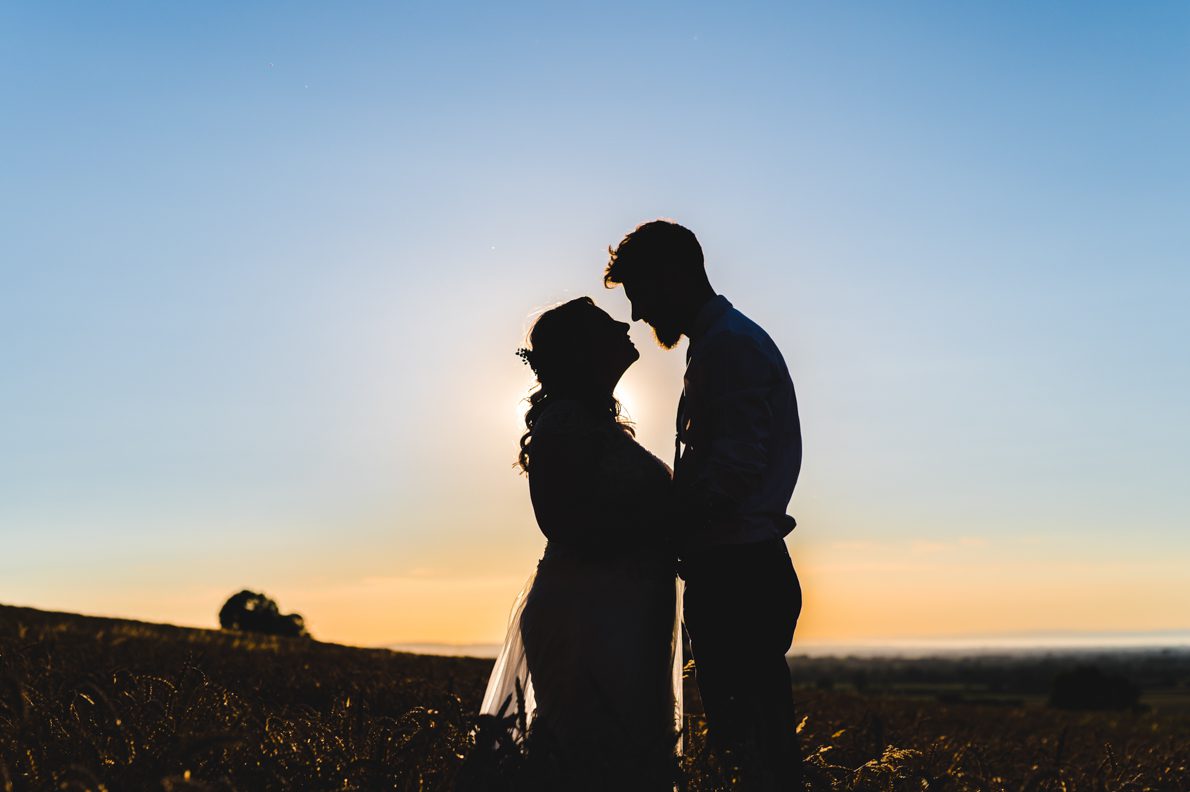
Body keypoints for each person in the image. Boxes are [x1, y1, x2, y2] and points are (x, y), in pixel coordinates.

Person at [605, 220, 804, 790]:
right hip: (734, 566)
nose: (639, 314)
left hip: (739, 570)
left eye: (640, 293)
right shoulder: (719, 345)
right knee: (742, 741)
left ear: (674, 275)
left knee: (752, 749)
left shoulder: (730, 348)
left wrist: (664, 528)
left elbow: (733, 470)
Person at [479, 297, 683, 791]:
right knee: (591, 758)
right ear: (583, 350)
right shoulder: (564, 422)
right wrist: (664, 528)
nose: (622, 322)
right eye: (603, 323)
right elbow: (560, 521)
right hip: (588, 614)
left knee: (626, 755)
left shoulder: (596, 423)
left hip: (623, 609)